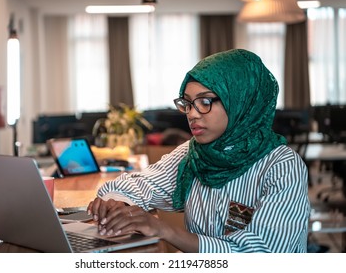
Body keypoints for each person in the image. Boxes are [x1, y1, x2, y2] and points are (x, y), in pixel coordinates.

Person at [87, 49, 310, 253]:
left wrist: (164, 230)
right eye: (188, 103)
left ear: (240, 101)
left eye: (204, 101)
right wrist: (116, 205)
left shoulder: (282, 166)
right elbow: (138, 184)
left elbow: (262, 254)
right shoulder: (194, 153)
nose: (192, 114)